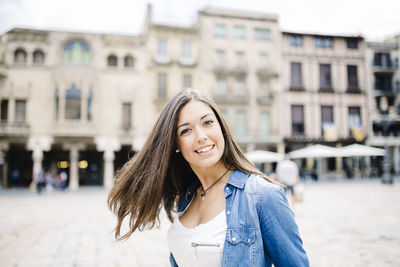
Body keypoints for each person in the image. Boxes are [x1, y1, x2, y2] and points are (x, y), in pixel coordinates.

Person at [108, 89, 309, 267]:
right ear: (175, 144)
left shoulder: (263, 196)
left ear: (221, 127)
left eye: (208, 122)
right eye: (186, 130)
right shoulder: (186, 197)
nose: (201, 135)